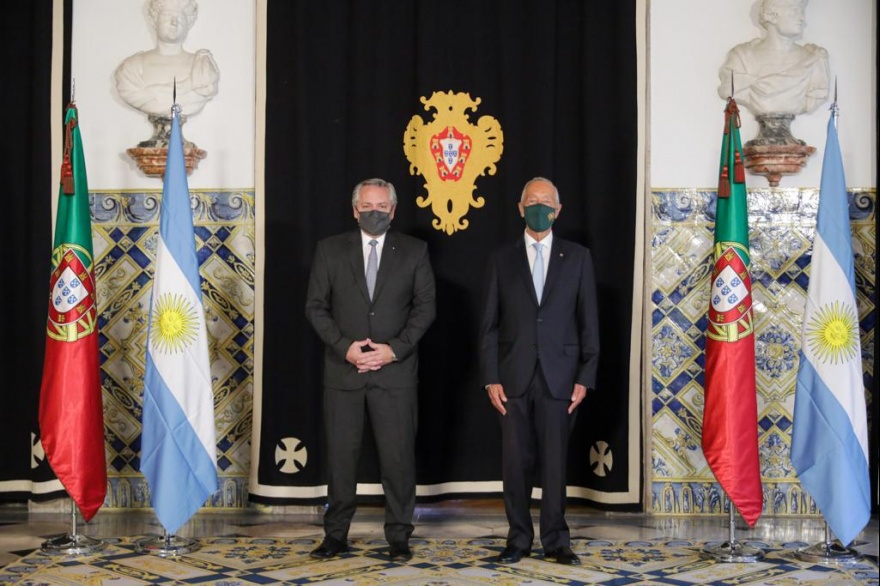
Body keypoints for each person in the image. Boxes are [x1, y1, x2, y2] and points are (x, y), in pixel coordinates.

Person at [305, 178, 436, 563]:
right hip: (344, 373)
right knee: (341, 460)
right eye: (367, 206)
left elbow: (425, 308)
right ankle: (335, 536)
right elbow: (315, 306)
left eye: (381, 206)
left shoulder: (415, 251)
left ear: (393, 211)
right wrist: (346, 348)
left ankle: (398, 537)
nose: (374, 212)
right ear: (354, 209)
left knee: (398, 460)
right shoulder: (329, 250)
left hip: (394, 374)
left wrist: (393, 350)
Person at [479, 177, 599, 566]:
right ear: (519, 207)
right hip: (512, 377)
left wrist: (585, 375)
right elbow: (489, 326)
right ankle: (518, 539)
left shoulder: (578, 257)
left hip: (561, 377)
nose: (539, 207)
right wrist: (490, 376)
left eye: (546, 202)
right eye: (532, 201)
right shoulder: (501, 258)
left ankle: (556, 540)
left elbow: (589, 323)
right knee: (515, 465)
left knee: (555, 463)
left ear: (558, 210)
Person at [717, 0, 829, 116]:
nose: (802, 18)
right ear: (772, 15)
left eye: (802, 12)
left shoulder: (813, 59)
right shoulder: (742, 57)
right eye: (794, 11)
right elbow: (728, 88)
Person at [115, 0, 219, 118]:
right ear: (154, 21)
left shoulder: (201, 67)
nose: (173, 23)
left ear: (188, 23)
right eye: (166, 16)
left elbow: (204, 88)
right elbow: (130, 92)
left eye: (179, 17)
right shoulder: (131, 67)